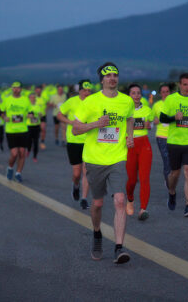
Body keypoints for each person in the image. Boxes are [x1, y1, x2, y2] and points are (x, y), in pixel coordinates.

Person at [72, 62, 134, 264]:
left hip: (117, 157)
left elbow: (130, 119)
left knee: (119, 201)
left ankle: (119, 247)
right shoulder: (90, 102)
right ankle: (97, 233)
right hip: (94, 160)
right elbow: (75, 129)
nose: (112, 78)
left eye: (115, 75)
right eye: (108, 76)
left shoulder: (126, 101)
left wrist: (130, 135)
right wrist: (96, 124)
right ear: (101, 80)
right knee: (98, 203)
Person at [160, 73, 188, 217]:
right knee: (175, 174)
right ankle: (172, 192)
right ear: (179, 84)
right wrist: (173, 118)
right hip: (174, 142)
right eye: (184, 84)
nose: (187, 87)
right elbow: (162, 118)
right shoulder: (171, 99)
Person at [57, 79, 92, 209]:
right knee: (77, 173)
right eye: (84, 90)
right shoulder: (71, 101)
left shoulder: (93, 102)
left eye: (89, 90)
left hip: (89, 141)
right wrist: (70, 122)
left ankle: (84, 198)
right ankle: (76, 186)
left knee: (86, 171)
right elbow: (59, 115)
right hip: (74, 141)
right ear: (79, 90)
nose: (86, 93)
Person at [125, 83, 154, 221]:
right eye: (133, 93)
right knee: (131, 180)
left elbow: (151, 123)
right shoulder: (124, 110)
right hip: (129, 145)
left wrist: (150, 125)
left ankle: (143, 209)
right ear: (129, 95)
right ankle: (130, 199)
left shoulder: (147, 110)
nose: (136, 95)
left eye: (138, 93)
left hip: (144, 145)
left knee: (144, 178)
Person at [0, 82, 31, 182]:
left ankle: (18, 173)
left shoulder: (25, 99)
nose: (16, 90)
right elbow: (1, 111)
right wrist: (4, 117)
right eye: (14, 88)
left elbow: (30, 112)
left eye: (18, 88)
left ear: (21, 89)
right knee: (14, 153)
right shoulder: (7, 99)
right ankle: (10, 167)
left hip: (23, 129)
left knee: (22, 153)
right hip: (11, 130)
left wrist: (30, 115)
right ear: (11, 89)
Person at [152, 83, 172, 189]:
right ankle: (168, 181)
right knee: (166, 159)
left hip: (175, 136)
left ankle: (170, 177)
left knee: (174, 162)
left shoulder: (175, 104)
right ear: (160, 93)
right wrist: (156, 120)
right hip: (162, 136)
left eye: (167, 92)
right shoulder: (156, 105)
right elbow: (151, 121)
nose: (165, 94)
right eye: (163, 92)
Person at [26, 93, 42, 162]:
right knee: (29, 141)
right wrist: (28, 116)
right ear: (29, 99)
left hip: (36, 126)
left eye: (34, 97)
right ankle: (28, 150)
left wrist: (39, 114)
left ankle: (35, 156)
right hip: (29, 126)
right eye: (31, 97)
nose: (33, 99)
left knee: (36, 142)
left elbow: (41, 115)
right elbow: (23, 115)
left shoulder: (38, 106)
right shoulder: (27, 106)